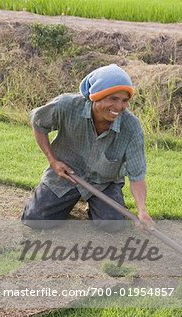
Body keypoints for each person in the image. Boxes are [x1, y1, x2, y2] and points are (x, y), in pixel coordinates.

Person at [22, 64, 153, 232]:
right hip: (67, 176)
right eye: (113, 99)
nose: (119, 107)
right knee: (35, 219)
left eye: (125, 100)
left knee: (113, 225)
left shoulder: (132, 127)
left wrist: (142, 211)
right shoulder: (67, 105)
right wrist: (53, 161)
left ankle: (93, 209)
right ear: (96, 96)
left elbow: (137, 175)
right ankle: (60, 203)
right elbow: (38, 123)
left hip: (104, 182)